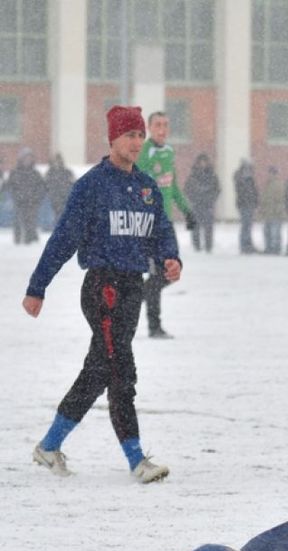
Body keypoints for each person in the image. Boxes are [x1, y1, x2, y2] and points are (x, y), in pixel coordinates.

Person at [21, 105, 180, 484]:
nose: (138, 142)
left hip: (131, 288)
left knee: (99, 371)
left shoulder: (146, 187)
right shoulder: (92, 186)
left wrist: (171, 258)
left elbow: (161, 231)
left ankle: (49, 445)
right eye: (131, 135)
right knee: (121, 370)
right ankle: (137, 459)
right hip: (102, 288)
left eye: (141, 135)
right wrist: (36, 286)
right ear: (113, 139)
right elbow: (63, 239)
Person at [139, 111, 194, 339]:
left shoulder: (169, 152)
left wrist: (187, 211)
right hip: (150, 224)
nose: (162, 129)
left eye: (166, 125)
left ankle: (132, 297)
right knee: (157, 273)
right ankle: (154, 326)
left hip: (166, 223)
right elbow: (136, 185)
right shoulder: (144, 152)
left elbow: (174, 187)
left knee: (171, 272)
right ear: (150, 128)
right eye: (158, 125)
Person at [184, 153, 221, 253]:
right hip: (196, 205)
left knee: (209, 227)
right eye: (201, 162)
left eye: (204, 161)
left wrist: (211, 199)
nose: (203, 164)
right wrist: (194, 199)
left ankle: (209, 246)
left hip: (208, 205)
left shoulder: (212, 175)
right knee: (194, 227)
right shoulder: (193, 175)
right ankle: (196, 246)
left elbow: (217, 190)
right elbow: (187, 189)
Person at [233, 159, 259, 254]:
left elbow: (254, 191)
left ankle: (248, 244)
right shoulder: (240, 177)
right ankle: (244, 245)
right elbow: (243, 191)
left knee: (249, 225)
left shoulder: (250, 178)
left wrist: (256, 202)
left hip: (250, 205)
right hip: (244, 205)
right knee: (245, 225)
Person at [44, 153, 75, 230]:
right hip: (53, 199)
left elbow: (73, 183)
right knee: (56, 216)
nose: (57, 163)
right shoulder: (49, 173)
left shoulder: (67, 172)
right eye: (55, 161)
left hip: (65, 198)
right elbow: (45, 185)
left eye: (58, 161)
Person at [261, 166, 285, 255]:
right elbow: (264, 198)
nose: (269, 175)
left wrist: (278, 210)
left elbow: (281, 199)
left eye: (271, 173)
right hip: (268, 213)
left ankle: (276, 248)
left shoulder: (279, 185)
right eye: (269, 173)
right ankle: (268, 247)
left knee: (275, 232)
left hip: (276, 213)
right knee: (267, 232)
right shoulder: (267, 184)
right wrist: (262, 210)